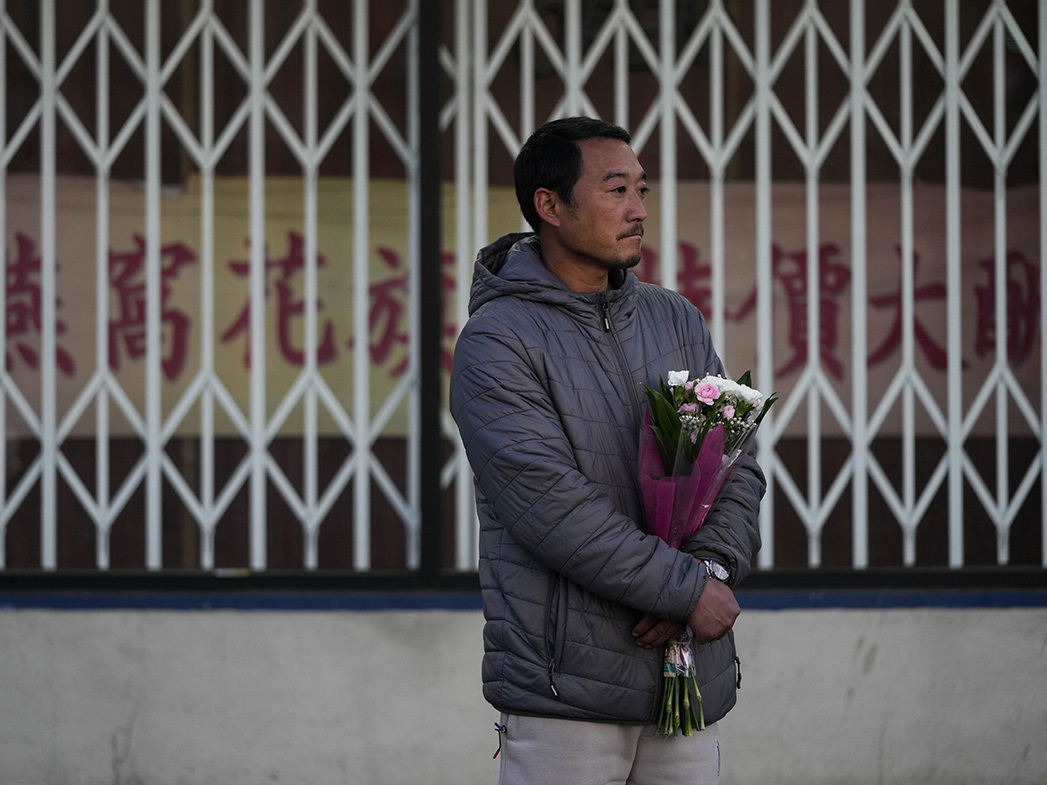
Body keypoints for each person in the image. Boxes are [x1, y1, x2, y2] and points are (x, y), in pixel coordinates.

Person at [449, 116, 765, 785]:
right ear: (550, 205)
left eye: (642, 190)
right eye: (617, 189)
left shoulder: (674, 317)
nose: (638, 210)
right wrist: (682, 587)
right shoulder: (496, 341)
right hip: (567, 689)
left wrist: (707, 569)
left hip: (683, 673)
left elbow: (733, 459)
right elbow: (548, 505)